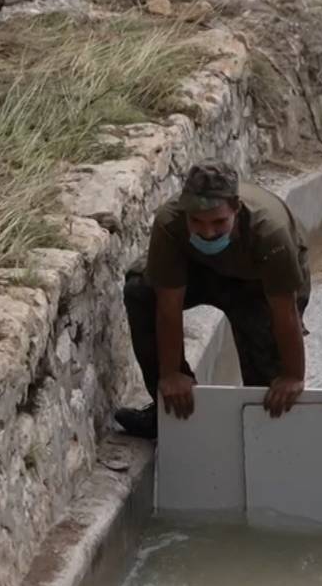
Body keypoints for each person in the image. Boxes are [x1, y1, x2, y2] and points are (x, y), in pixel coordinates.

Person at [115, 161, 311, 439]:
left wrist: (292, 376)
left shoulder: (270, 232)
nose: (208, 232)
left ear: (236, 209)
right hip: (204, 271)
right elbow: (167, 306)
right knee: (140, 290)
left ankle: (268, 437)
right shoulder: (170, 223)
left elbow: (285, 313)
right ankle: (169, 412)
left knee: (270, 389)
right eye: (197, 221)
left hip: (259, 286)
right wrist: (171, 374)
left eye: (219, 222)